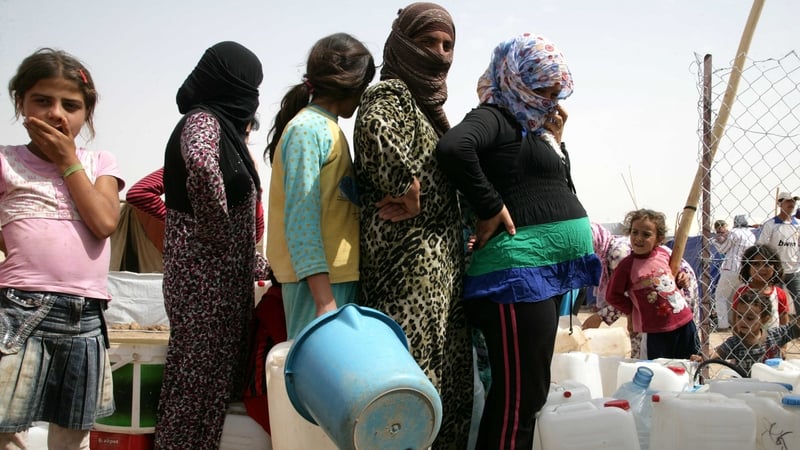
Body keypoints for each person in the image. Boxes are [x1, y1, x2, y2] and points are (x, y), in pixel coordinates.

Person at [436, 33, 601, 449]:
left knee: (529, 397)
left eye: (553, 91)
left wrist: (557, 144)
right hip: (515, 277)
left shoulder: (531, 127)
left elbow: (562, 191)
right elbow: (454, 148)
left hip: (543, 275)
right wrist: (490, 205)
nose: (549, 99)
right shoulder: (495, 115)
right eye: (540, 89)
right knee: (516, 400)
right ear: (516, 79)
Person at [353, 3, 473, 448]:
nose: (440, 54)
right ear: (403, 44)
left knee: (444, 386)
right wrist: (406, 183)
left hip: (440, 270)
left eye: (447, 45)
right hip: (407, 268)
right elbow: (376, 134)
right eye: (428, 42)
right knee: (408, 388)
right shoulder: (392, 94)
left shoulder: (431, 110)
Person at [0, 48, 124, 450]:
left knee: (72, 434)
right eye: (42, 100)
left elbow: (104, 223)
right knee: (3, 426)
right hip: (19, 309)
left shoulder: (99, 162)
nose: (56, 113)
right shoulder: (6, 161)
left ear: (86, 114)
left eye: (70, 105)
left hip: (85, 317)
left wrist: (68, 161)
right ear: (20, 103)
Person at [155, 41, 269, 450]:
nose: (253, 96)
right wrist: (218, 233)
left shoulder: (226, 131)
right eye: (248, 84)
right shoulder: (202, 120)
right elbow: (201, 168)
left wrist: (256, 262)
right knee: (193, 397)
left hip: (221, 290)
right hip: (203, 290)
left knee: (211, 397)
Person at [266, 33, 375, 338]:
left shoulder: (329, 128)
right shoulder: (307, 130)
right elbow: (302, 217)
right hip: (316, 285)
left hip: (335, 277)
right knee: (315, 378)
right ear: (352, 85)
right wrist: (323, 299)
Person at [125, 119, 265, 254]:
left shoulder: (241, 172)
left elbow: (255, 235)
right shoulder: (196, 163)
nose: (241, 140)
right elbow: (139, 193)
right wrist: (185, 224)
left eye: (245, 134)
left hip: (228, 263)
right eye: (236, 131)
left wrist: (254, 185)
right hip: (195, 261)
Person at [583, 228, 700, 359]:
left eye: (646, 234)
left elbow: (627, 293)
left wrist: (601, 317)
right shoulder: (607, 253)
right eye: (635, 232)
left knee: (673, 350)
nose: (639, 238)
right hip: (658, 301)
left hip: (674, 293)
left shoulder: (619, 253)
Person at [700, 289, 799, 375]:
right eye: (739, 316)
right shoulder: (735, 342)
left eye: (750, 318)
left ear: (764, 319)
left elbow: (796, 327)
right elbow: (717, 353)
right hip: (745, 388)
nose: (743, 321)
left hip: (772, 384)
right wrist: (702, 357)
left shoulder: (775, 335)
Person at [757, 191, 800, 316]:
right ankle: (775, 328)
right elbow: (761, 245)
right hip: (776, 270)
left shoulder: (797, 224)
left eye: (793, 201)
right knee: (775, 302)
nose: (791, 204)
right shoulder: (771, 224)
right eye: (787, 201)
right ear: (780, 203)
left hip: (794, 269)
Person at [732, 244, 792, 329]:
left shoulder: (779, 294)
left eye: (767, 264)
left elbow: (784, 324)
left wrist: (783, 341)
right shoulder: (742, 293)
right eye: (756, 264)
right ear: (748, 267)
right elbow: (736, 324)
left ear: (775, 267)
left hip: (774, 341)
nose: (762, 268)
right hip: (748, 341)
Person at [712, 215, 756, 330]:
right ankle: (739, 322)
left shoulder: (735, 232)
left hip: (730, 268)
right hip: (745, 270)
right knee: (738, 297)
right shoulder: (751, 235)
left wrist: (714, 241)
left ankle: (723, 325)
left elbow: (723, 249)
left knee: (720, 296)